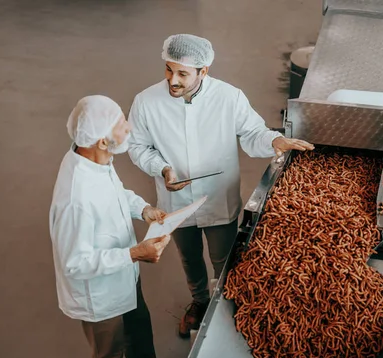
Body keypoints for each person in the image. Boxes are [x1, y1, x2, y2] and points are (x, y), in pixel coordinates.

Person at [127, 34, 315, 338]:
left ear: (204, 72)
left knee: (223, 258)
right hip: (176, 203)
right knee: (189, 258)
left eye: (182, 74)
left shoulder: (229, 97)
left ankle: (227, 304)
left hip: (218, 198)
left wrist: (275, 140)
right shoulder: (146, 102)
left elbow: (253, 133)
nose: (172, 80)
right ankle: (200, 302)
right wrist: (161, 168)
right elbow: (137, 147)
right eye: (168, 70)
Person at [49, 95, 190, 358]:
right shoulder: (76, 199)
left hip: (123, 273)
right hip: (99, 294)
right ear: (102, 141)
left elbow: (116, 193)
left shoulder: (95, 159)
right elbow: (75, 261)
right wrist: (135, 253)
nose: (128, 130)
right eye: (122, 126)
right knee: (108, 356)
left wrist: (143, 210)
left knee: (139, 327)